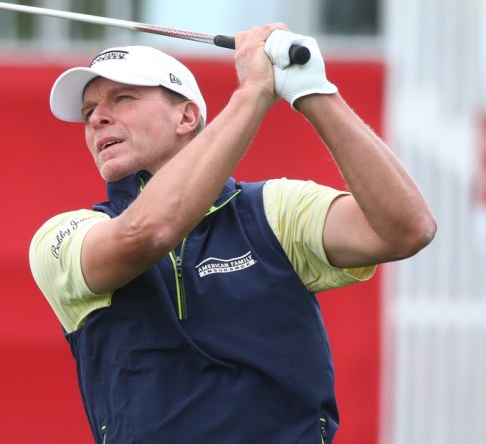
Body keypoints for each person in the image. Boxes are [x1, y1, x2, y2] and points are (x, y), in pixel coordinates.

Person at [29, 24, 436, 443]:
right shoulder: (63, 236)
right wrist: (253, 94)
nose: (97, 117)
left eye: (123, 98)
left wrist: (314, 91)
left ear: (187, 117)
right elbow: (146, 234)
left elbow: (408, 228)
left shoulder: (274, 211)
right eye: (88, 111)